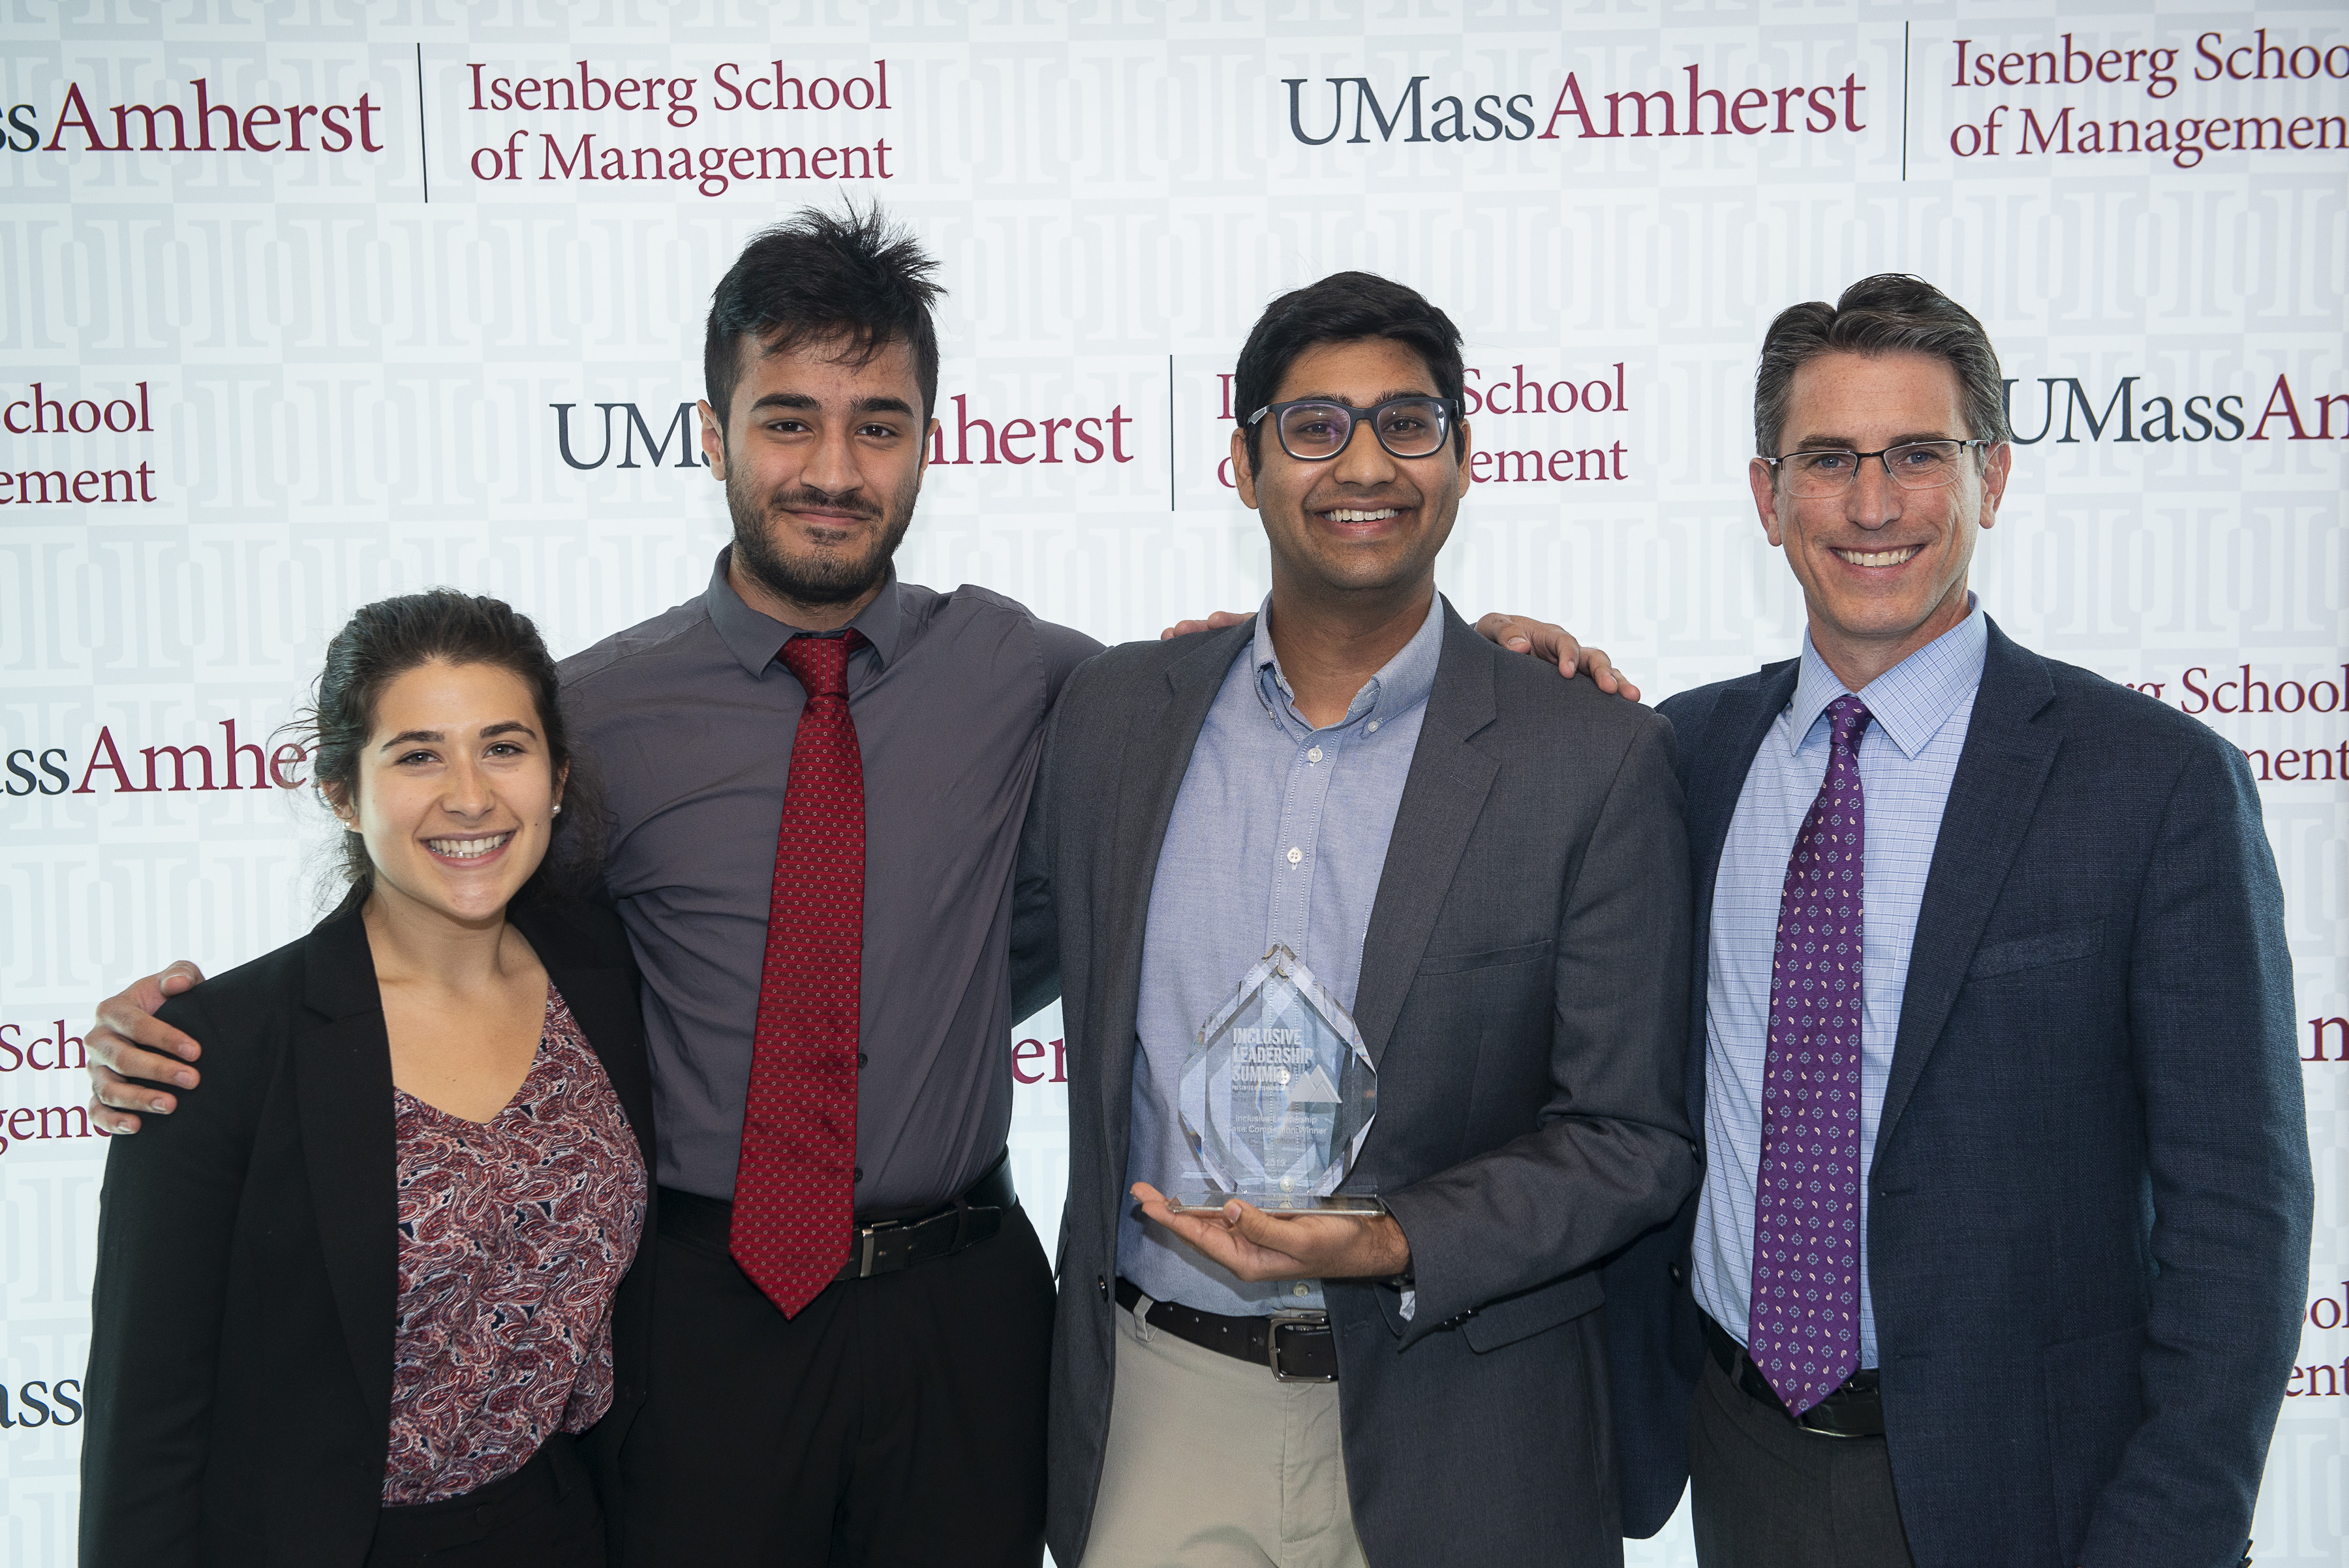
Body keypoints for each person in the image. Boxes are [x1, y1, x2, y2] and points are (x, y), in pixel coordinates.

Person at [82, 206, 1639, 1567]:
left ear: (928, 442)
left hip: (961, 1313)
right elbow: (445, 893)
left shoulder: (1040, 677)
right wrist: (217, 1033)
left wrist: (1499, 657)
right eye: (789, 420)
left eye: (878, 424)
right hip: (698, 1313)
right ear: (711, 433)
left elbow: (1275, 679)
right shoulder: (594, 714)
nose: (834, 469)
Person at [1486, 275, 2312, 1568]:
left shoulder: (2153, 785)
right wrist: (1481, 693)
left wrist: (2169, 1538)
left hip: (2039, 1490)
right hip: (1742, 1454)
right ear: (1768, 498)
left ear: (1993, 475)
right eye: (1829, 460)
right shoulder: (1676, 759)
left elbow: (2240, 1219)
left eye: (1918, 454)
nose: (1873, 505)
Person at [1013, 271, 1698, 1568]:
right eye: (1315, 426)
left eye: (1408, 422)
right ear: (1244, 465)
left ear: (1466, 460)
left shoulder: (1590, 754)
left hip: (1469, 1427)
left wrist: (1393, 1239)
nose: (1366, 463)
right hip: (1164, 1410)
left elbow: (1633, 1139)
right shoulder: (1114, 717)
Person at [79, 590, 652, 1567]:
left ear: (557, 776)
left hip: (560, 1529)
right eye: (418, 754)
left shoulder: (609, 976)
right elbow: (147, 1424)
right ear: (343, 792)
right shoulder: (216, 1051)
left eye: (503, 748)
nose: (469, 796)